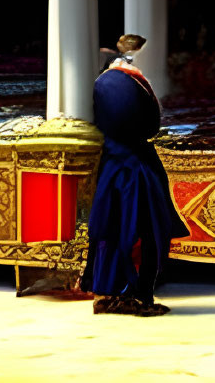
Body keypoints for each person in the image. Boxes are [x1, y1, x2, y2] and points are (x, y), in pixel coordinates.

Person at [85, 33, 188, 317]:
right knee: (146, 230)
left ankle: (107, 293)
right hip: (137, 166)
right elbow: (151, 125)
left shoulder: (102, 82)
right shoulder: (134, 83)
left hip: (111, 166)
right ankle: (139, 297)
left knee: (109, 229)